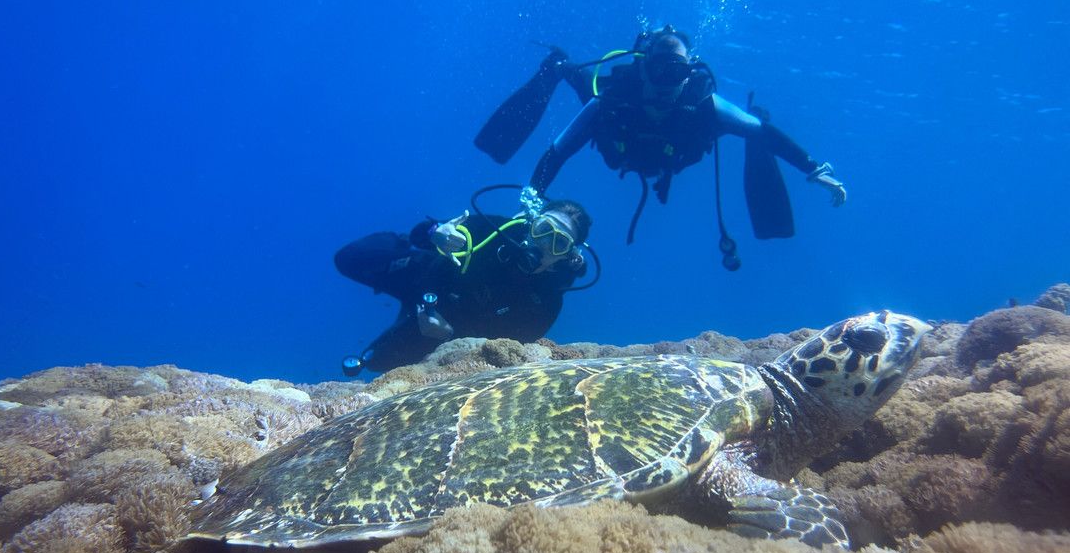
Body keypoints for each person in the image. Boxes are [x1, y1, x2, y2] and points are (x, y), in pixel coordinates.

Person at [475, 26, 846, 255]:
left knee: (753, 124)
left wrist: (814, 169)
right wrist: (530, 201)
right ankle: (559, 64)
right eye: (659, 70)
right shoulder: (610, 102)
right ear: (643, 67)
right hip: (622, 135)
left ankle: (749, 114)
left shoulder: (704, 104)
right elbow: (556, 152)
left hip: (672, 150)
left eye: (678, 72)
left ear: (689, 72)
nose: (668, 83)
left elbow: (764, 133)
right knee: (582, 82)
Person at [334, 196, 593, 377]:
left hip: (444, 329)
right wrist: (435, 232)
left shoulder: (547, 301)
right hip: (423, 275)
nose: (543, 244)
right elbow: (420, 233)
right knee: (348, 259)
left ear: (566, 256)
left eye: (558, 243)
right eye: (543, 229)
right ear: (531, 224)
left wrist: (449, 334)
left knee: (377, 362)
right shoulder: (496, 229)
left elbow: (506, 352)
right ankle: (395, 243)